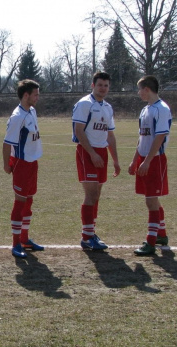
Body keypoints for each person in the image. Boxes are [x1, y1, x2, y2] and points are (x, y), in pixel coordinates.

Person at [72, 72, 120, 251]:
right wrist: (92, 153)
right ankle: (86, 237)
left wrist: (115, 160)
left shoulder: (107, 107)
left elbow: (110, 135)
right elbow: (79, 131)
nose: (103, 88)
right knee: (91, 195)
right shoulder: (85, 104)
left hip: (102, 153)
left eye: (106, 85)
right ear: (93, 85)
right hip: (87, 152)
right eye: (100, 85)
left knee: (97, 196)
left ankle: (91, 232)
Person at [128, 75, 171, 256]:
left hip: (155, 160)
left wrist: (147, 161)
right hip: (144, 158)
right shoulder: (146, 110)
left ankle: (151, 242)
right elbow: (142, 138)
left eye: (140, 89)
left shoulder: (161, 109)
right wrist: (135, 159)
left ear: (146, 89)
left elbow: (159, 137)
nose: (139, 93)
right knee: (151, 199)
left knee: (151, 200)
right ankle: (161, 235)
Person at [3, 79, 45, 259]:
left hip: (32, 162)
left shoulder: (32, 111)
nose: (38, 97)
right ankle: (15, 243)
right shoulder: (17, 117)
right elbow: (7, 143)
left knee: (29, 201)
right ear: (26, 95)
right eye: (35, 94)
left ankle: (25, 238)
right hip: (21, 163)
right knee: (20, 202)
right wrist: (7, 165)